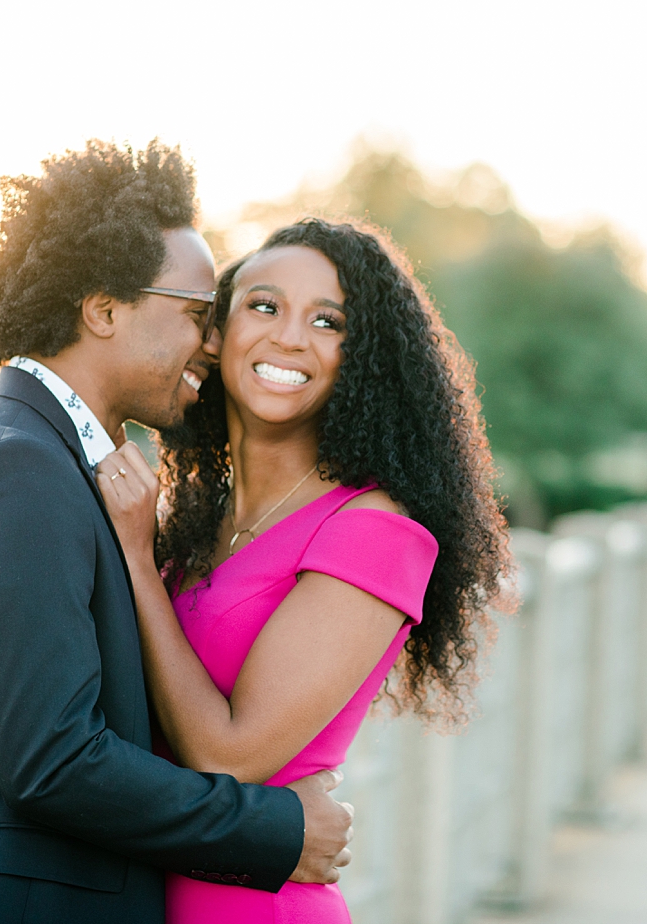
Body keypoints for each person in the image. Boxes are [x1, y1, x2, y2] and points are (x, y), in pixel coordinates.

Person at [0, 142, 353, 924]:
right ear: (104, 308)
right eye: (194, 314)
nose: (213, 344)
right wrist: (277, 829)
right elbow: (52, 759)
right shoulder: (14, 469)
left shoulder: (59, 461)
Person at [97, 218, 513, 923]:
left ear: (361, 359)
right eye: (263, 305)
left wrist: (136, 562)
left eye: (327, 321)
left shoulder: (375, 532)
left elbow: (225, 756)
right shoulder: (194, 522)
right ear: (217, 332)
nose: (288, 336)